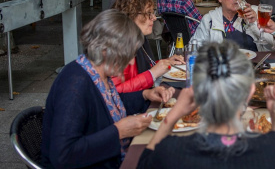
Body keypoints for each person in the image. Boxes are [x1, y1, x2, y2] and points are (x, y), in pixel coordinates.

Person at [41, 10, 175, 168]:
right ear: (106, 50)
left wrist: (145, 94)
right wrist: (118, 132)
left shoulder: (97, 73)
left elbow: (108, 105)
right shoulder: (74, 85)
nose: (131, 63)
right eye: (127, 55)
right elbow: (63, 155)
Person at [138, 41, 275, 169]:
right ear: (250, 91)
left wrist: (174, 114)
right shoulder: (272, 150)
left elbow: (144, 162)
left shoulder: (171, 151)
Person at [111, 0, 185, 93]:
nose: (154, 18)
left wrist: (166, 62)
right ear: (132, 15)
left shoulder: (138, 39)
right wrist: (152, 74)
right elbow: (114, 92)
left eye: (153, 13)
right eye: (149, 13)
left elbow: (143, 68)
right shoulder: (118, 46)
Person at [192, 0, 274, 51]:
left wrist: (254, 23)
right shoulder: (210, 19)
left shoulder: (256, 12)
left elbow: (272, 46)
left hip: (254, 64)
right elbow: (194, 47)